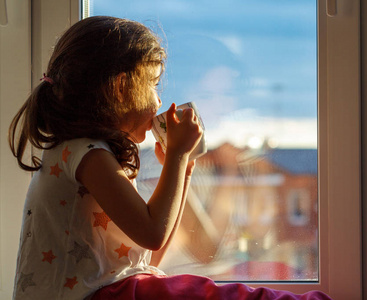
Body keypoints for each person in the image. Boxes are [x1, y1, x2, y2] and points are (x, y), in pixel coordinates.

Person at [9, 16, 331, 300]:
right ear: (122, 87)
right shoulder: (88, 155)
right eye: (153, 83)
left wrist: (184, 167)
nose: (159, 98)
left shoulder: (89, 154)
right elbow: (153, 233)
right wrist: (176, 155)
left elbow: (147, 255)